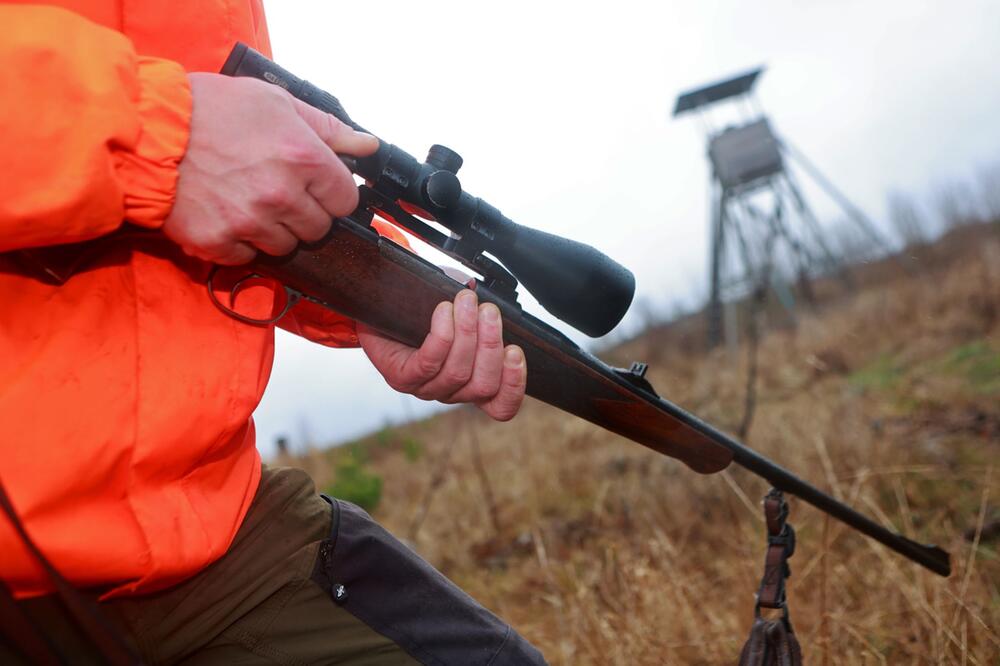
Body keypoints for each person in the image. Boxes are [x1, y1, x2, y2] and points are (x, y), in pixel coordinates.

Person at [0, 2, 546, 663]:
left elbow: (236, 179)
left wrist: (370, 304)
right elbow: (186, 140)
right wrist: (152, 136)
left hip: (206, 527)